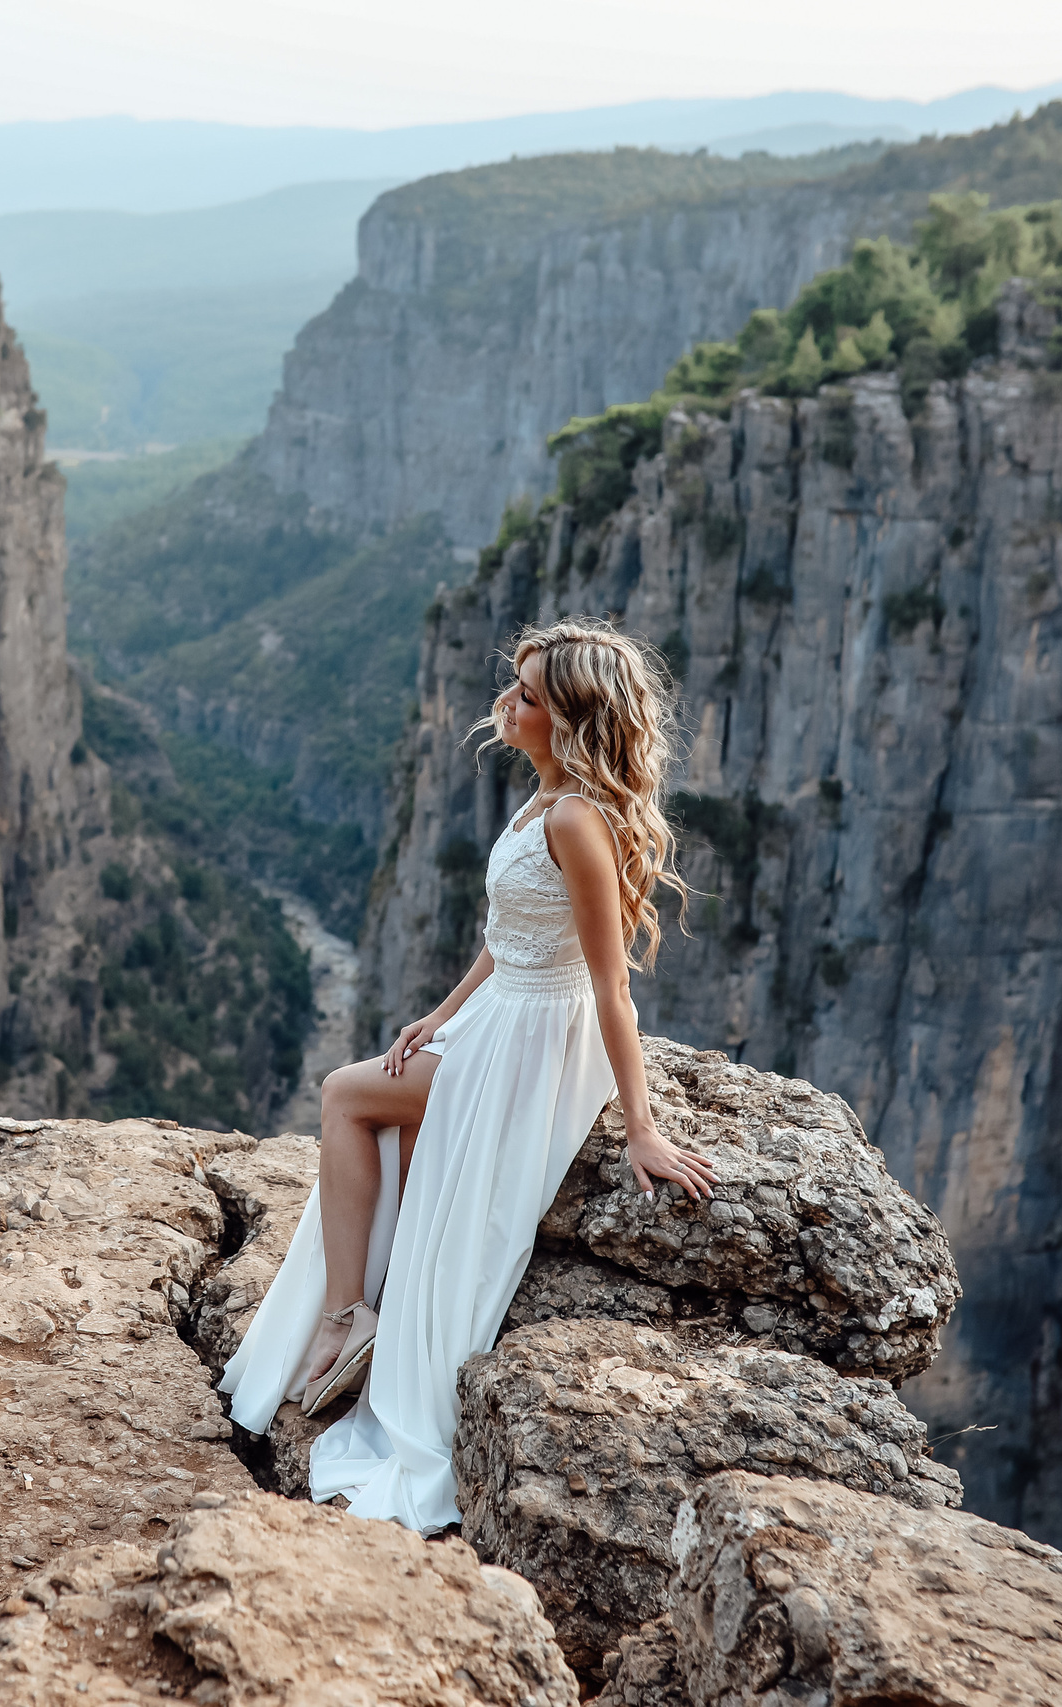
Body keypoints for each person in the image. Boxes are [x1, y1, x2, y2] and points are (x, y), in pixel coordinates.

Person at [217, 617, 717, 1533]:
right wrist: (441, 1015)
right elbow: (512, 935)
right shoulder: (543, 800)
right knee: (392, 1120)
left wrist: (641, 1124)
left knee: (343, 1094)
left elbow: (609, 984)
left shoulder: (574, 819)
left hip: (536, 1044)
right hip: (496, 1013)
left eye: (526, 695)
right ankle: (361, 1305)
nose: (505, 703)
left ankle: (347, 1314)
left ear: (568, 718)